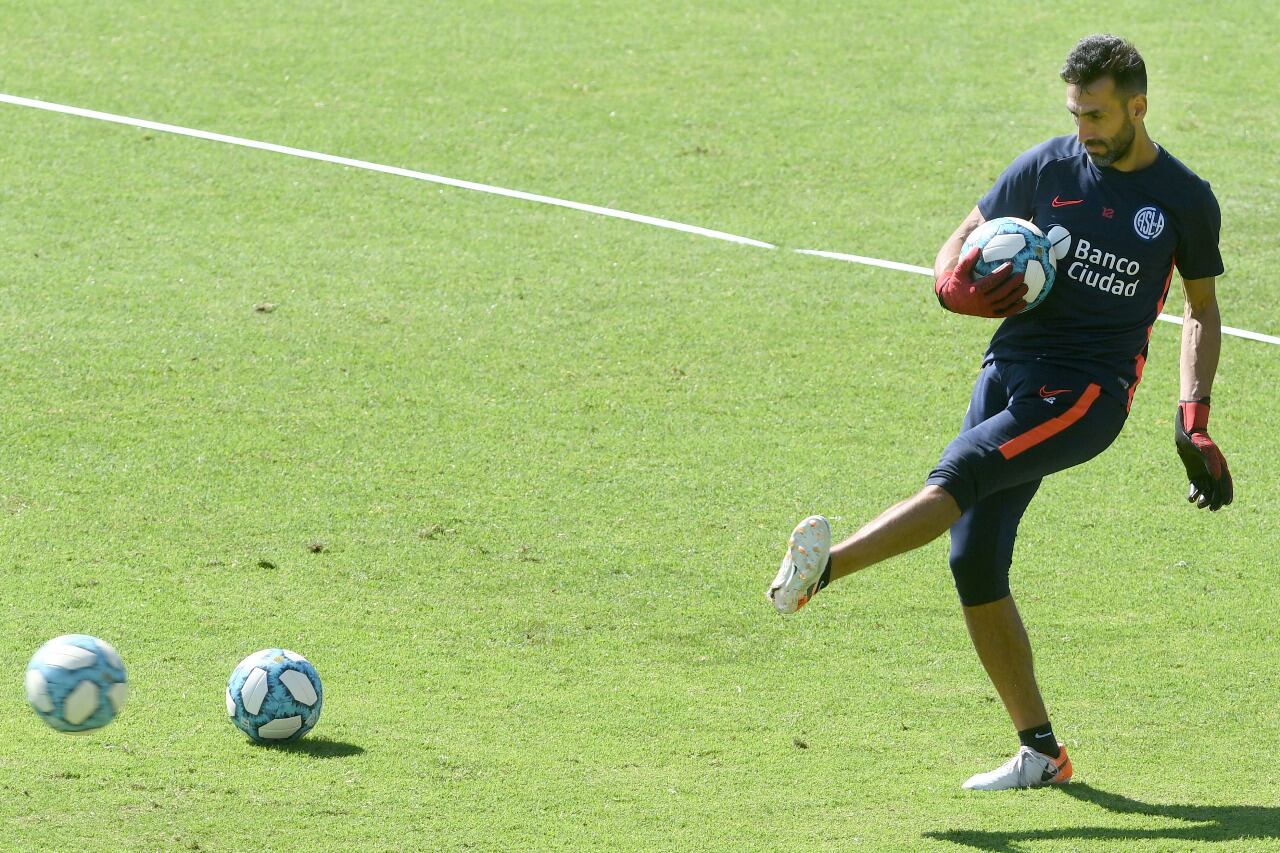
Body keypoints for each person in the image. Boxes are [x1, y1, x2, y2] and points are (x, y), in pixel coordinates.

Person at [766, 34, 1233, 791]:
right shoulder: (1047, 166)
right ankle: (1042, 754)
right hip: (1010, 368)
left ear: (1137, 108)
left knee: (961, 471)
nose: (1085, 129)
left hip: (1085, 392)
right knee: (972, 557)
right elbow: (958, 240)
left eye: (1098, 114)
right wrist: (952, 285)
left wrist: (1194, 412)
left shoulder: (1183, 198)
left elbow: (1201, 310)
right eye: (1076, 112)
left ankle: (825, 572)